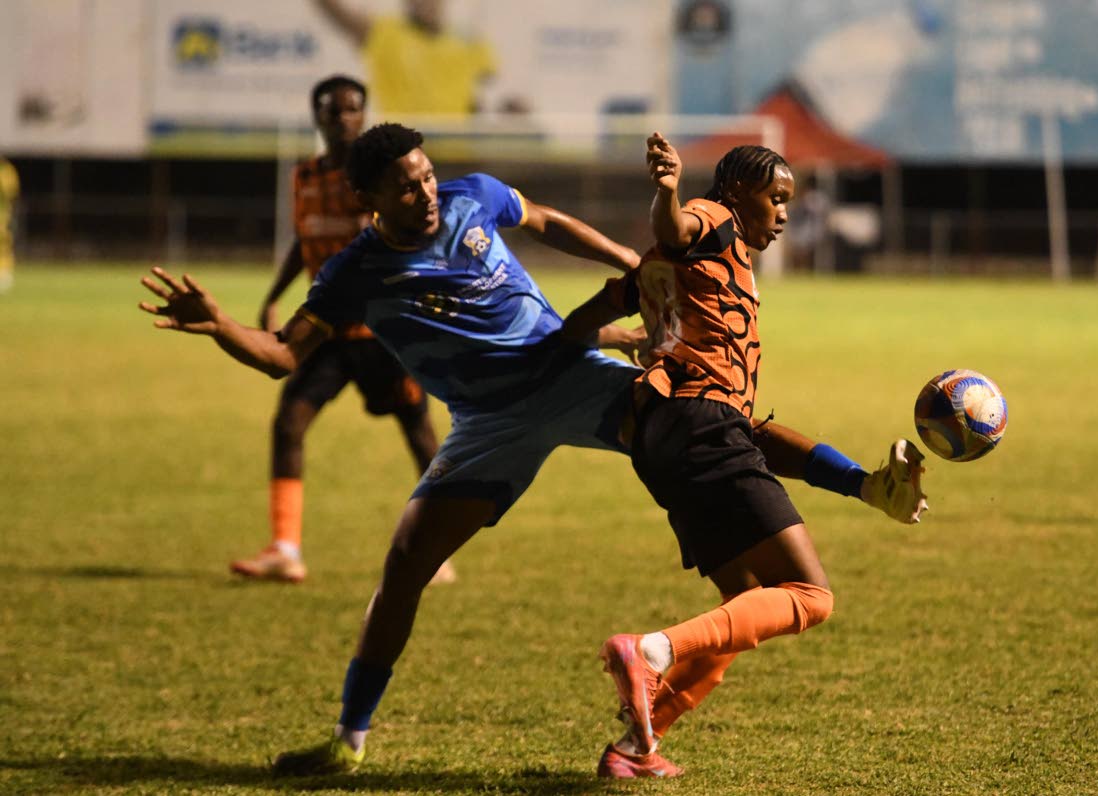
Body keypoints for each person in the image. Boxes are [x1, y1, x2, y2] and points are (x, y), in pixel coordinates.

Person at [137, 123, 927, 777]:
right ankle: (348, 741)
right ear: (366, 198)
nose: (424, 192)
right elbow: (283, 353)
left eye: (426, 175)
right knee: (405, 567)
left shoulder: (471, 197)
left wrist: (634, 269)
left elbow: (548, 222)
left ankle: (638, 738)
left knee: (712, 423)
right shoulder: (355, 272)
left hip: (565, 371)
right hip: (485, 421)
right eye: (405, 185)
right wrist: (221, 327)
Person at [562, 133, 926, 778]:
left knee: (742, 607)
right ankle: (653, 652)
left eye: (788, 200)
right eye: (775, 197)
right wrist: (670, 190)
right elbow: (678, 227)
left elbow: (580, 324)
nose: (783, 211)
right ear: (737, 193)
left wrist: (863, 485)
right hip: (701, 423)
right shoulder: (717, 222)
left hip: (664, 436)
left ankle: (634, 749)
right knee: (810, 597)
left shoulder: (671, 277)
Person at [228, 76, 450, 585]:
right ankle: (285, 548)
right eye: (333, 111)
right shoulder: (304, 176)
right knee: (289, 424)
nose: (344, 119)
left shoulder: (380, 180)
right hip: (325, 332)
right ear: (318, 118)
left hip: (381, 334)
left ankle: (435, 544)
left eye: (353, 110)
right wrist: (273, 295)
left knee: (420, 432)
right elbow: (305, 239)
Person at [314, 0, 496, 116]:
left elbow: (484, 98)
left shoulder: (468, 41)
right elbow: (339, 14)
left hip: (456, 153)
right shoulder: (384, 32)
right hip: (401, 152)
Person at [0, 156, 19, 293]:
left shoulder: (6, 170)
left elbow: (11, 192)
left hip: (2, 214)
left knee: (3, 244)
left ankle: (4, 273)